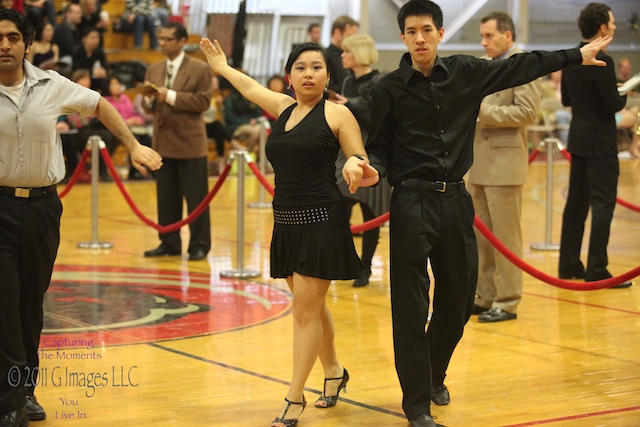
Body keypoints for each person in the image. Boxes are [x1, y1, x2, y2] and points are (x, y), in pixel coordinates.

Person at [361, 1, 614, 426]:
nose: (419, 38)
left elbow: (525, 66)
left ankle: (432, 372)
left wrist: (576, 54)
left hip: (456, 201)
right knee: (409, 305)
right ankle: (417, 403)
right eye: (411, 31)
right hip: (410, 201)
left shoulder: (467, 72)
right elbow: (379, 147)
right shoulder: (387, 89)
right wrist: (371, 169)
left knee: (459, 302)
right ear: (403, 37)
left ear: (440, 33)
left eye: (427, 29)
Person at [200, 38, 377, 427]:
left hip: (321, 220)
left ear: (329, 75)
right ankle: (333, 371)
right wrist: (222, 68)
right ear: (289, 76)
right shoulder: (283, 108)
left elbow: (358, 155)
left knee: (303, 312)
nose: (308, 73)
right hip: (286, 221)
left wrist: (354, 165)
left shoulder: (337, 114)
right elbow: (249, 88)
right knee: (310, 306)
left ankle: (294, 397)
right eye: (301, 67)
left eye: (317, 67)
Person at [0, 9, 162, 427]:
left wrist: (132, 146)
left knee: (30, 304)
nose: (4, 45)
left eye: (13, 37)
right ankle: (10, 399)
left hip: (41, 208)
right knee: (4, 302)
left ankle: (26, 390)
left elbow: (100, 105)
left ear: (27, 44)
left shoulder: (50, 84)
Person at [467, 11, 542, 323]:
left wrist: (481, 111)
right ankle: (484, 295)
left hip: (504, 163)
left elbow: (528, 111)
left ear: (508, 36)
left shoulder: (522, 65)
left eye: (489, 36)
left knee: (505, 238)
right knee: (481, 238)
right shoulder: (486, 66)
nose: (483, 42)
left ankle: (508, 300)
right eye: (482, 36)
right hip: (478, 163)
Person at [558, 2, 632, 288]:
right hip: (601, 142)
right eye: (611, 23)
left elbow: (566, 99)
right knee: (603, 205)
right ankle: (597, 268)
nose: (614, 26)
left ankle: (568, 264)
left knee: (576, 205)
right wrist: (624, 95)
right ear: (602, 27)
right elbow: (613, 103)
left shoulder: (572, 58)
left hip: (578, 139)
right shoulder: (603, 60)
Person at [142, 22, 214, 262]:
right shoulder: (153, 69)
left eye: (168, 39)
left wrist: (169, 96)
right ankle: (169, 242)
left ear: (182, 41)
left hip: (190, 144)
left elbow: (203, 102)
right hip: (163, 142)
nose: (162, 42)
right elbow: (147, 104)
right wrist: (150, 101)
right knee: (166, 196)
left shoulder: (199, 68)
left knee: (196, 199)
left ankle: (199, 245)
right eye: (160, 38)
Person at [332, 33, 390, 287]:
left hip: (371, 153)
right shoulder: (346, 82)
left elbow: (376, 119)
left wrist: (349, 105)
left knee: (370, 214)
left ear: (359, 54)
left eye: (347, 52)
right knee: (338, 209)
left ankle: (365, 267)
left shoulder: (380, 82)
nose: (342, 55)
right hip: (345, 153)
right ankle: (347, 262)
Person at [326, 15, 359, 95]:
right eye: (349, 36)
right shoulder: (324, 57)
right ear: (337, 32)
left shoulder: (352, 56)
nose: (352, 41)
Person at [71, 26, 108, 90]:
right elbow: (76, 69)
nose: (96, 40)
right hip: (80, 77)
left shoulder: (99, 52)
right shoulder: (77, 51)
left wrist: (103, 71)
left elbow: (105, 66)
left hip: (95, 79)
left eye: (97, 38)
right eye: (93, 38)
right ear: (84, 39)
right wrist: (92, 72)